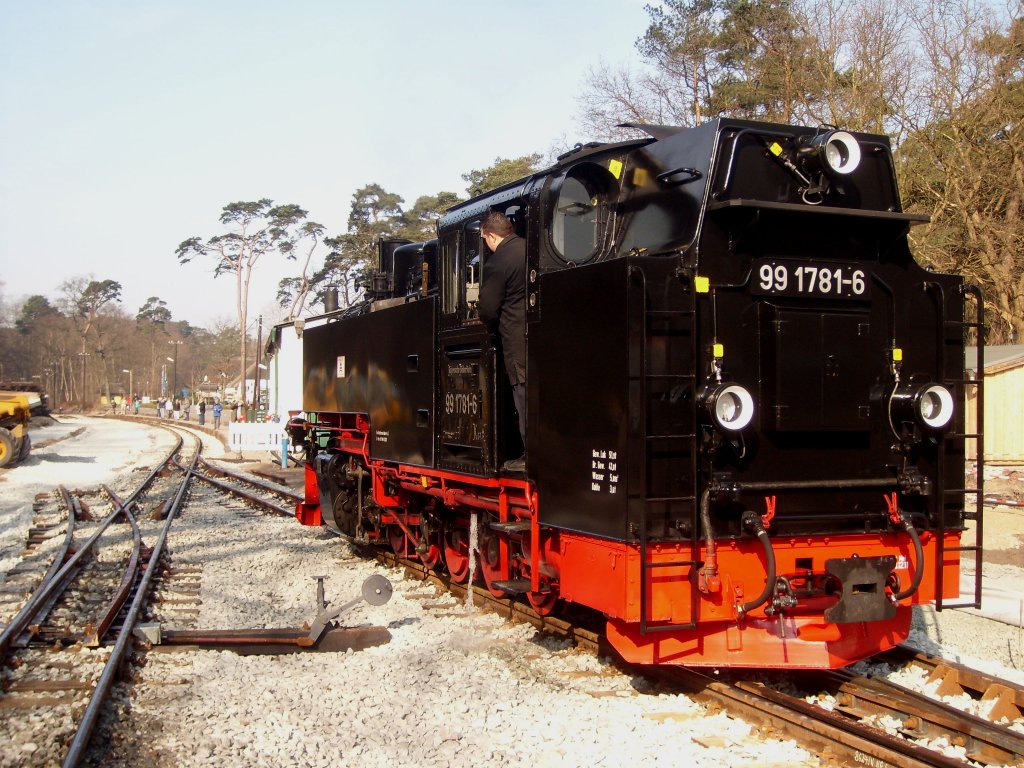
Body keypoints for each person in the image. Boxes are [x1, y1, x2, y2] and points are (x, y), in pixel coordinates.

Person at [477, 210, 527, 473]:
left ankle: (530, 454)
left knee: (522, 395)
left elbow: (487, 309)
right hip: (539, 335)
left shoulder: (498, 262)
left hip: (516, 338)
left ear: (492, 236)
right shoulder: (530, 249)